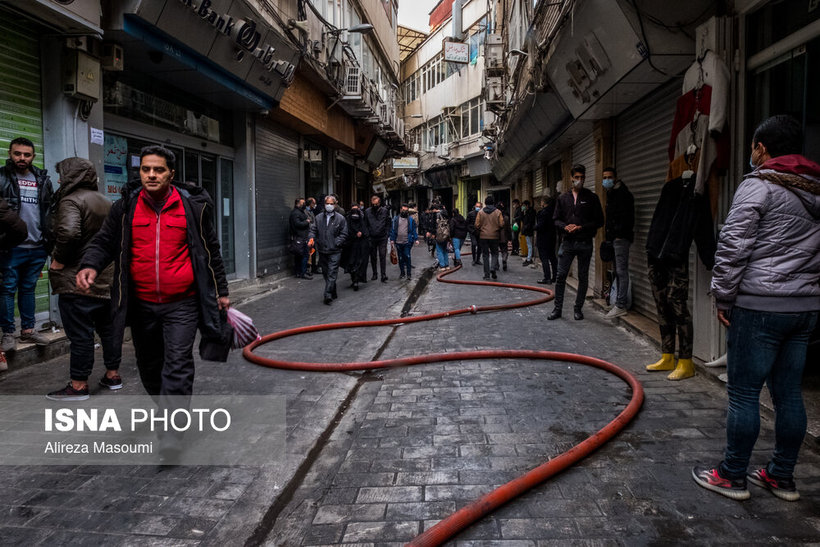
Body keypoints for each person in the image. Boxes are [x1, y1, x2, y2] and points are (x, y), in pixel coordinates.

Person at [692, 115, 820, 502]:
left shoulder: (759, 187)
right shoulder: (816, 188)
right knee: (788, 394)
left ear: (761, 148)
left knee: (744, 394)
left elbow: (732, 247)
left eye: (753, 146)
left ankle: (731, 475)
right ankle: (781, 476)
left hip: (760, 305)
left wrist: (724, 296)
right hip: (804, 308)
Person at [45, 158, 122, 401]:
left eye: (62, 175)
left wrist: (58, 260)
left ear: (72, 176)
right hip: (104, 278)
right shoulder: (106, 201)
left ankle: (78, 385)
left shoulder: (71, 201)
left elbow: (68, 233)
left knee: (80, 335)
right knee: (108, 330)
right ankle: (112, 375)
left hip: (77, 280)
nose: (59, 180)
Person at [644, 159, 716, 380]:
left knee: (678, 308)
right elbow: (657, 220)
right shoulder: (670, 188)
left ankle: (686, 361)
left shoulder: (697, 194)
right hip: (656, 257)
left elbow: (703, 230)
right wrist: (650, 248)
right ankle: (667, 355)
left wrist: (710, 259)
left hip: (676, 259)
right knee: (662, 307)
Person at [0, 137, 54, 351]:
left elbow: (49, 212)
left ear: (33, 156)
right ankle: (7, 334)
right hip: (11, 246)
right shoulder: (2, 177)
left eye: (26, 154)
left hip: (38, 246)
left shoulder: (42, 179)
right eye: (17, 154)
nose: (22, 158)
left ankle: (28, 331)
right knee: (6, 289)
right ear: (10, 153)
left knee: (28, 289)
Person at [548, 165, 604, 321]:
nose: (580, 180)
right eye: (577, 177)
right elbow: (556, 219)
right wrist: (565, 227)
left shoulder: (592, 198)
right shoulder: (563, 198)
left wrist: (581, 227)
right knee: (560, 275)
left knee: (583, 277)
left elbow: (599, 220)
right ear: (571, 178)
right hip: (568, 243)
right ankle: (557, 309)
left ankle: (578, 309)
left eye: (582, 177)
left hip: (585, 242)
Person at [602, 167, 635, 318]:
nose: (606, 180)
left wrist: (619, 235)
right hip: (614, 238)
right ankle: (618, 302)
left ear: (615, 178)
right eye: (604, 177)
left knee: (621, 271)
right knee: (617, 270)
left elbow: (627, 217)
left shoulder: (623, 194)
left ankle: (621, 305)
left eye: (609, 177)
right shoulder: (612, 194)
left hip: (621, 239)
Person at [308, 195, 348, 304]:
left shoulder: (340, 218)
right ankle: (332, 290)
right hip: (322, 250)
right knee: (326, 273)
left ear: (335, 205)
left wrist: (337, 242)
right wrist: (311, 238)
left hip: (335, 250)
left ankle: (327, 294)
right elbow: (313, 230)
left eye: (331, 204)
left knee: (332, 272)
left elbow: (344, 234)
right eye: (327, 204)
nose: (329, 206)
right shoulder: (318, 218)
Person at [475, 194, 504, 280]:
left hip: (483, 236)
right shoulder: (498, 212)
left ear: (485, 203)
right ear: (493, 203)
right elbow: (501, 224)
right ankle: (493, 268)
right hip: (494, 236)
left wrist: (481, 228)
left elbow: (477, 224)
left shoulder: (480, 212)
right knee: (495, 253)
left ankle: (487, 274)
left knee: (485, 255)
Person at [343, 203, 369, 290]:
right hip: (350, 246)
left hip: (360, 246)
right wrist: (354, 234)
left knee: (359, 263)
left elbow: (365, 229)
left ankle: (356, 280)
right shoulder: (348, 219)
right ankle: (354, 279)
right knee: (351, 263)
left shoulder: (361, 219)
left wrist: (361, 233)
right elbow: (346, 230)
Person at [389, 203, 418, 280]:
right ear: (400, 210)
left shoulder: (410, 220)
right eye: (403, 210)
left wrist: (416, 239)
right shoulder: (395, 219)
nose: (404, 211)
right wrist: (392, 239)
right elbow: (393, 230)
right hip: (398, 242)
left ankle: (409, 274)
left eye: (406, 210)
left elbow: (413, 230)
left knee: (408, 257)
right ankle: (402, 273)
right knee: (400, 258)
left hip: (407, 242)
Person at [365, 194, 390, 282]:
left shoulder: (384, 211)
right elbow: (366, 224)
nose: (375, 206)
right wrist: (368, 234)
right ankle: (374, 273)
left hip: (382, 237)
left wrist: (387, 234)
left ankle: (383, 274)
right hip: (372, 237)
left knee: (382, 255)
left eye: (376, 204)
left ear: (379, 203)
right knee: (373, 256)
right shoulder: (367, 211)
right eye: (373, 204)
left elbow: (388, 222)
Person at [535, 196, 557, 284]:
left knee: (544, 258)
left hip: (543, 239)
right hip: (552, 238)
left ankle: (547, 277)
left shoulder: (544, 213)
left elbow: (541, 225)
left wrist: (533, 228)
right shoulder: (554, 211)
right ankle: (555, 276)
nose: (540, 203)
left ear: (544, 203)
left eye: (541, 201)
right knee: (552, 258)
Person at [289, 197, 312, 279]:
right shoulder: (296, 213)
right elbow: (297, 224)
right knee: (304, 255)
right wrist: (307, 222)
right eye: (303, 203)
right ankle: (303, 272)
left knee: (299, 255)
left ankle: (299, 272)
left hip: (301, 237)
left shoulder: (300, 212)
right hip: (299, 237)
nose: (304, 204)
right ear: (298, 203)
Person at [426, 202, 450, 269]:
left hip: (439, 235)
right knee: (445, 250)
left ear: (435, 209)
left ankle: (442, 266)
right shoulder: (445, 213)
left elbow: (434, 225)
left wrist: (432, 233)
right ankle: (447, 265)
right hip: (446, 234)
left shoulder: (436, 215)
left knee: (439, 250)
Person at [466, 201, 482, 265]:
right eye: (477, 206)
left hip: (480, 232)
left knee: (480, 246)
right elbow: (467, 223)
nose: (478, 208)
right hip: (472, 232)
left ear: (481, 207)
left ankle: (478, 259)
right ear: (475, 206)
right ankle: (474, 259)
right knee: (474, 244)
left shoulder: (482, 214)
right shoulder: (470, 214)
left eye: (479, 207)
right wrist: (470, 230)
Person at [520, 200, 536, 266]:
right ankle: (529, 258)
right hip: (526, 230)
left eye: (524, 205)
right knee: (528, 244)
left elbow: (530, 222)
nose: (523, 207)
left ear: (527, 205)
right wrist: (522, 212)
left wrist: (526, 227)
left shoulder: (531, 212)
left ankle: (529, 259)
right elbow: (523, 220)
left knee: (529, 245)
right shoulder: (525, 212)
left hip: (529, 230)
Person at [497, 201, 511, 271]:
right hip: (504, 237)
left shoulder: (494, 217)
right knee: (504, 250)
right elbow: (508, 229)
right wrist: (510, 238)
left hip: (495, 236)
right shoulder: (506, 218)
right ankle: (504, 259)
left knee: (495, 251)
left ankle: (496, 264)